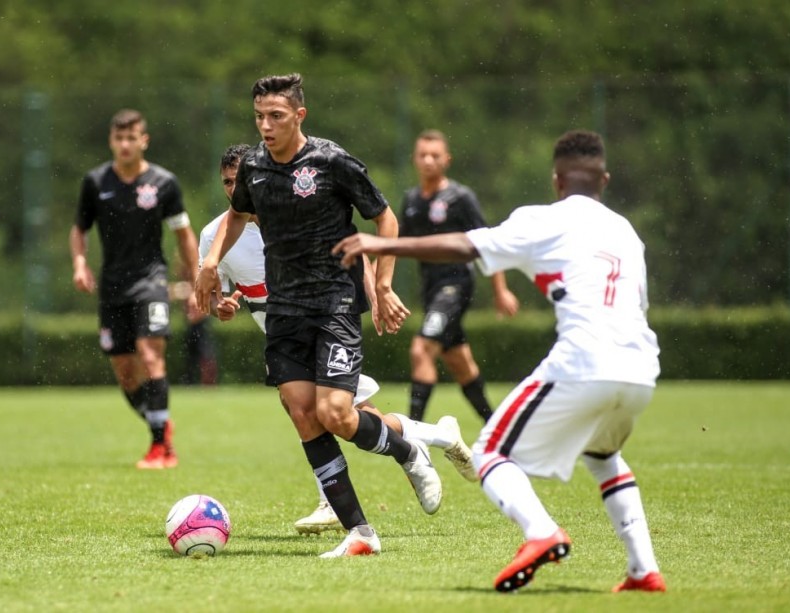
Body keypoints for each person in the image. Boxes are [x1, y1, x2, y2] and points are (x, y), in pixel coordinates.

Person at [333, 130, 666, 593]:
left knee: (490, 452)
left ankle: (541, 532)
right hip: (642, 369)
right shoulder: (625, 231)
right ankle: (643, 570)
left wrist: (381, 246)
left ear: (556, 181)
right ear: (604, 180)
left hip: (585, 361)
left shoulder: (545, 219)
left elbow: (466, 247)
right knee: (604, 455)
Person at [195, 74, 440, 558]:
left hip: (332, 303)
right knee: (304, 415)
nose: (266, 126)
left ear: (299, 116)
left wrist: (385, 284)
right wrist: (207, 264)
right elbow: (238, 215)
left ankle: (408, 450)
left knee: (335, 414)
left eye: (276, 117)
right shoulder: (255, 168)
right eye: (259, 117)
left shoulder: (330, 160)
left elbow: (385, 219)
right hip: (284, 313)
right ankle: (361, 533)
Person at [70, 108, 200, 470]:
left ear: (144, 140)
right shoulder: (95, 183)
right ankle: (161, 423)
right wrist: (80, 263)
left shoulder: (164, 183)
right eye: (119, 138)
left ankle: (161, 448)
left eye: (132, 138)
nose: (125, 144)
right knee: (126, 372)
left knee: (149, 353)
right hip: (112, 286)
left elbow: (184, 235)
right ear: (111, 141)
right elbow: (79, 229)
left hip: (151, 282)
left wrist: (194, 282)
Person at [399, 130, 519, 423]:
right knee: (459, 362)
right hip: (431, 290)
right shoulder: (411, 200)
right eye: (423, 155)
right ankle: (496, 429)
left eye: (435, 155)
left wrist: (500, 290)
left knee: (421, 349)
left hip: (455, 286)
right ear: (415, 159)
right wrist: (379, 283)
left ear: (447, 160)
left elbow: (487, 245)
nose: (428, 160)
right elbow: (398, 245)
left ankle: (414, 437)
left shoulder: (461, 198)